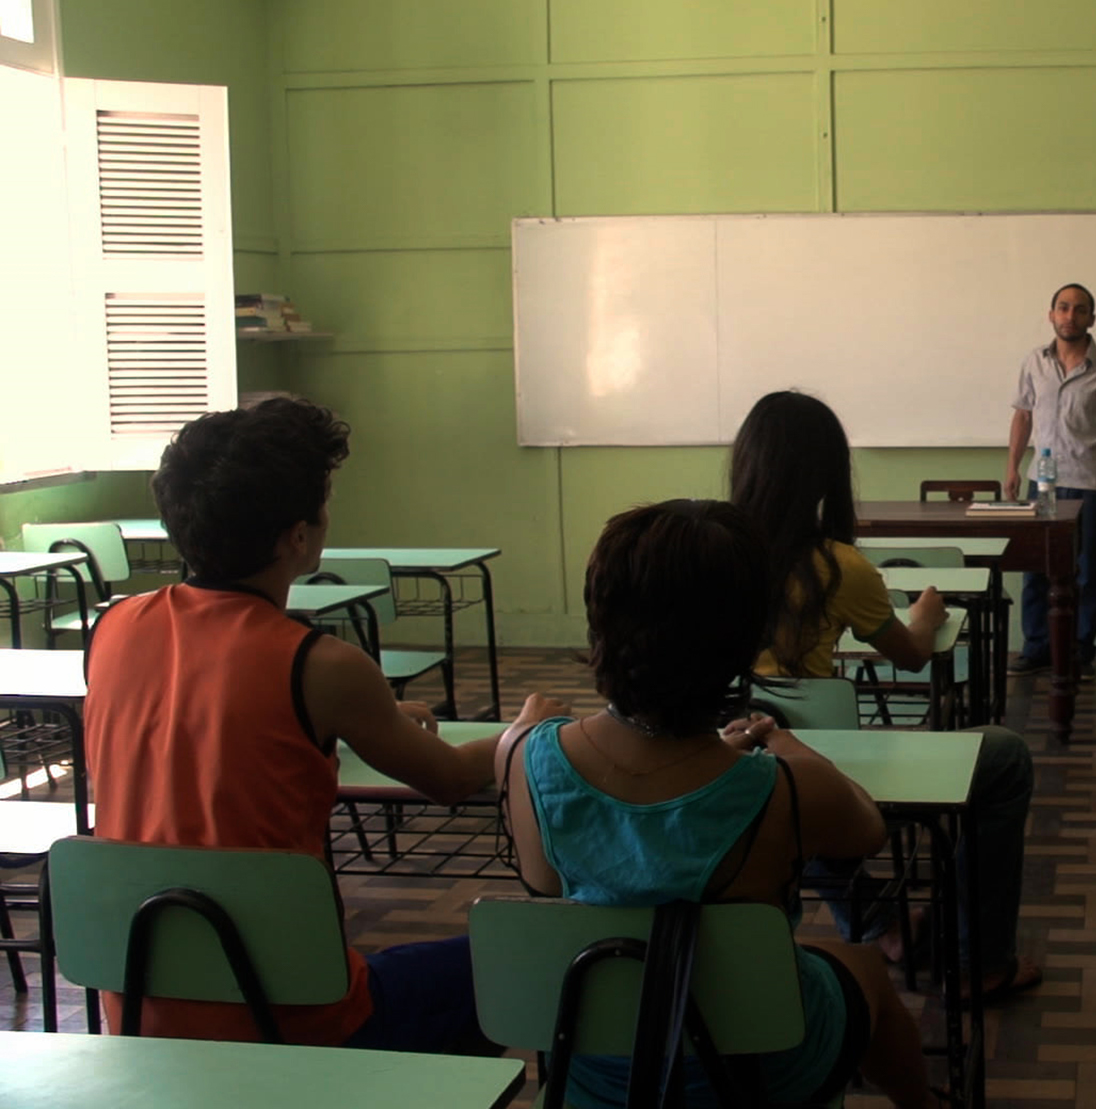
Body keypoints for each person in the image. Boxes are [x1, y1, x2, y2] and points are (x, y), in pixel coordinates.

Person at [83, 396, 568, 1051]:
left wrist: (365, 718)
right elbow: (451, 779)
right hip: (291, 1016)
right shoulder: (321, 666)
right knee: (525, 960)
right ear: (298, 537)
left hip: (142, 1005)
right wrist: (524, 730)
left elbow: (208, 721)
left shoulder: (112, 628)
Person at [498, 500, 943, 1109]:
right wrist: (784, 745)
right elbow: (866, 829)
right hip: (758, 1070)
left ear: (598, 619)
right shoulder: (784, 788)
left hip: (592, 1072)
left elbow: (561, 868)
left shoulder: (525, 757)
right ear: (748, 642)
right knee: (863, 969)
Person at [732, 389, 1042, 1001]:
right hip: (812, 765)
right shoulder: (837, 566)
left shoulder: (711, 552)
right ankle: (979, 962)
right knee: (1004, 756)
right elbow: (912, 654)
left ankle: (884, 926)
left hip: (725, 756)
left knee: (776, 779)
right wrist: (926, 612)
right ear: (827, 473)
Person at [1004, 282, 1096, 674]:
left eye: (1080, 309)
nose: (1070, 316)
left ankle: (1080, 651)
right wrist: (1012, 467)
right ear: (1051, 314)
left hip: (1091, 484)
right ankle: (1036, 647)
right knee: (1037, 567)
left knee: (1086, 571)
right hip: (1042, 484)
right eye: (1063, 307)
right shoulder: (1034, 362)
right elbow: (1023, 415)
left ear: (1091, 319)